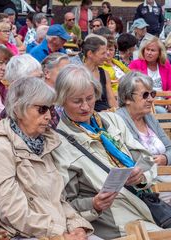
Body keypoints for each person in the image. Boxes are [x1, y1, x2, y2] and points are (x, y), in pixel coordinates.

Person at [0, 76, 100, 239]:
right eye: (41, 109)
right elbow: (11, 211)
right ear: (17, 109)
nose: (49, 116)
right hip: (25, 234)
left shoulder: (43, 144)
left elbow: (58, 201)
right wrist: (59, 233)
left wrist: (77, 225)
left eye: (50, 109)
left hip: (55, 229)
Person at [52, 64, 160, 239]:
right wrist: (94, 204)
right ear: (62, 100)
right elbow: (65, 204)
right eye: (77, 101)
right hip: (115, 221)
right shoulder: (58, 144)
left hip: (146, 204)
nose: (86, 106)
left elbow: (146, 159)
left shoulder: (112, 121)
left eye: (90, 98)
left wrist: (140, 177)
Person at [116, 71, 171, 204]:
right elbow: (133, 160)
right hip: (149, 185)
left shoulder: (149, 118)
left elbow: (170, 148)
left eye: (152, 94)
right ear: (127, 98)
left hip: (166, 175)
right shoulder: (118, 121)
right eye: (145, 95)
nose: (151, 99)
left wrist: (165, 158)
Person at [83, 34, 117, 111]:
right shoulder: (78, 74)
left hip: (107, 114)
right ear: (90, 54)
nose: (106, 56)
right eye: (103, 53)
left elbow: (111, 100)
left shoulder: (104, 73)